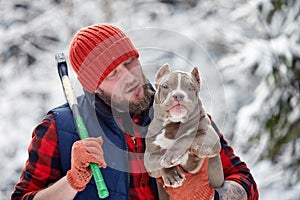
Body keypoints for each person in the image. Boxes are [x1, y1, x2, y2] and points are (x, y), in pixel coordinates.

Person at [11, 23, 259, 200]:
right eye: (112, 74)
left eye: (129, 62)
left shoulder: (182, 112)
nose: (129, 77)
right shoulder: (59, 129)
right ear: (94, 87)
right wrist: (72, 181)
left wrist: (211, 197)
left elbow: (246, 183)